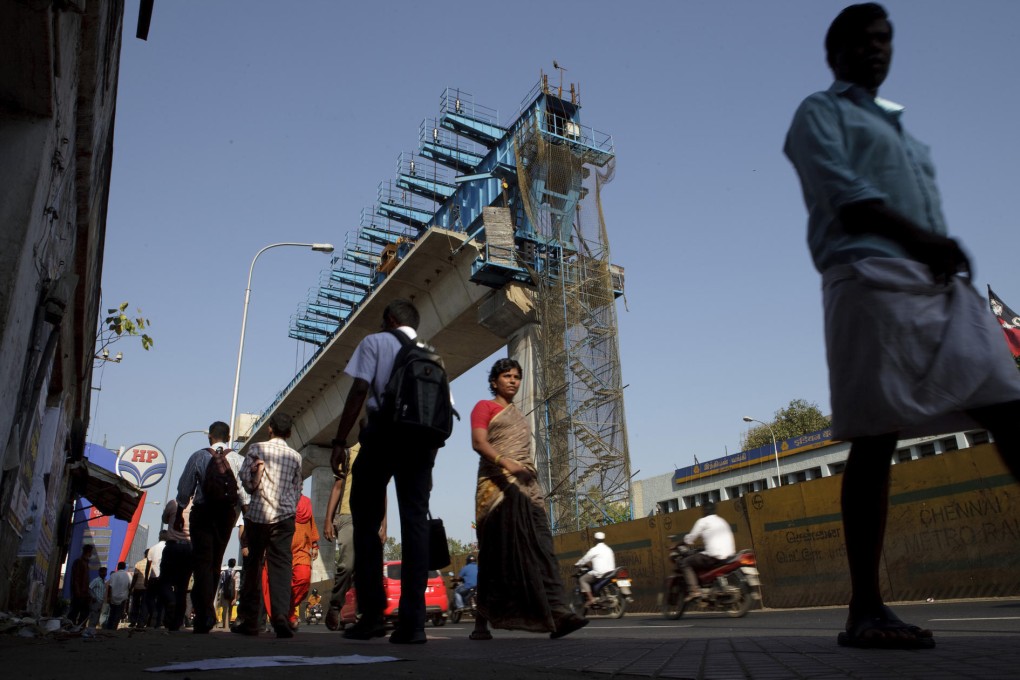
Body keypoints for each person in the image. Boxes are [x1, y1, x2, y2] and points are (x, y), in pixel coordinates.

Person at [784, 3, 1020, 649]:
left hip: (939, 287)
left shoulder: (903, 133)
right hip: (867, 280)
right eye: (862, 41)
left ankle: (869, 608)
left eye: (885, 40)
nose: (877, 49)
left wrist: (935, 247)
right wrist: (922, 237)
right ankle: (865, 608)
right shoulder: (819, 113)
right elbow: (844, 193)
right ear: (834, 55)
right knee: (876, 436)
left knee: (1008, 403)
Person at [330, 299, 440, 645]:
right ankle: (413, 623)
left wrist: (338, 440)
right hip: (422, 442)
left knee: (365, 520)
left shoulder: (375, 342)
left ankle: (373, 617)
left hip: (383, 435)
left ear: (390, 320)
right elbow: (439, 408)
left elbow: (360, 390)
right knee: (415, 523)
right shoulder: (430, 353)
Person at [469, 357, 588, 640]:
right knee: (497, 557)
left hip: (527, 487)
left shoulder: (518, 415)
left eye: (517, 377)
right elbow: (478, 442)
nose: (513, 381)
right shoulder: (483, 407)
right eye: (507, 376)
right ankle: (481, 621)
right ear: (494, 381)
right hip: (496, 490)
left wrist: (521, 470)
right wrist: (505, 462)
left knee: (542, 546)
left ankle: (557, 613)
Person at [233, 412, 303, 639]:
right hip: (284, 518)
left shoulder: (256, 449)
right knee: (281, 567)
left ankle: (250, 619)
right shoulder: (295, 457)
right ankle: (281, 616)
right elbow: (297, 488)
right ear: (290, 433)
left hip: (257, 515)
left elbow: (244, 479)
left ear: (270, 428)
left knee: (252, 566)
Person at [175, 421, 246, 634]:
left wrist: (179, 512)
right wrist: (245, 518)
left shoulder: (199, 456)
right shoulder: (238, 459)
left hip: (203, 514)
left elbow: (184, 488)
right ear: (229, 436)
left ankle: (204, 612)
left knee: (202, 562)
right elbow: (244, 494)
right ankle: (207, 611)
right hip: (226, 516)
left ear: (209, 437)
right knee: (215, 562)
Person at [260, 494, 319, 630]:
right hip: (279, 548)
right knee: (274, 583)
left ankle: (286, 610)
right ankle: (285, 616)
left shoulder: (305, 502)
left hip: (301, 549)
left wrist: (315, 544)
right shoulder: (275, 499)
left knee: (303, 578)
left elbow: (311, 522)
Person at [322, 444, 359, 630]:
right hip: (347, 514)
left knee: (366, 568)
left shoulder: (381, 452)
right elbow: (338, 487)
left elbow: (382, 491)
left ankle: (363, 617)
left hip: (371, 517)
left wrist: (384, 525)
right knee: (347, 564)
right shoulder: (349, 453)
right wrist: (328, 519)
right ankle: (335, 605)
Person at [680, 502, 734, 603]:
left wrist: (679, 544)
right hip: (728, 556)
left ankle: (694, 591)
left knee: (685, 563)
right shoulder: (721, 521)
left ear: (704, 511)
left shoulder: (703, 521)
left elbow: (690, 538)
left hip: (713, 556)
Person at [160, 499, 193, 631]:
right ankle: (177, 623)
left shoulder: (173, 503)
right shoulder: (197, 504)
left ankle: (170, 600)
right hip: (189, 549)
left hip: (172, 546)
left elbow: (165, 519)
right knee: (182, 587)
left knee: (165, 581)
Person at [575, 532, 615, 607]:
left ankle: (591, 599)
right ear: (604, 539)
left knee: (582, 579)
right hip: (610, 572)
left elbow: (585, 559)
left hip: (599, 573)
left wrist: (578, 564)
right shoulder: (609, 549)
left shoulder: (594, 550)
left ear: (595, 540)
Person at [144, 532, 167, 628]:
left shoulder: (152, 548)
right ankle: (158, 622)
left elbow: (148, 565)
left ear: (159, 537)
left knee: (150, 599)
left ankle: (152, 615)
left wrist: (146, 578)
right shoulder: (168, 548)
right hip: (164, 578)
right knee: (162, 601)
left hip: (153, 578)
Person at [68, 544, 94, 626]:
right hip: (79, 593)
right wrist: (77, 592)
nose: (91, 554)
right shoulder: (79, 562)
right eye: (90, 552)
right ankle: (71, 626)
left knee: (84, 612)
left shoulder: (85, 563)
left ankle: (79, 627)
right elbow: (76, 578)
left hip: (84, 593)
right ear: (88, 552)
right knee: (75, 611)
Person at [105, 561, 131, 629]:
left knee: (112, 613)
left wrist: (108, 597)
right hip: (122, 598)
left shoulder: (113, 575)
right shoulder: (127, 575)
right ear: (125, 567)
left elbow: (110, 587)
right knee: (118, 614)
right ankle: (114, 627)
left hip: (113, 597)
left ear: (118, 567)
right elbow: (130, 586)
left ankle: (109, 627)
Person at [217, 558, 239, 629]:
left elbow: (220, 584)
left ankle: (224, 624)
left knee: (225, 609)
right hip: (232, 594)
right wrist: (235, 598)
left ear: (228, 563)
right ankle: (228, 624)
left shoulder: (223, 572)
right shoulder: (236, 573)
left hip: (224, 593)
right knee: (230, 609)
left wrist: (219, 594)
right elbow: (236, 587)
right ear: (234, 564)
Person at [128, 550, 149, 628]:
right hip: (146, 588)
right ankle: (141, 623)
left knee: (135, 605)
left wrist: (131, 587)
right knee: (144, 605)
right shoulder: (152, 564)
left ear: (144, 555)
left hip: (137, 587)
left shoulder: (138, 563)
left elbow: (135, 577)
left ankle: (133, 621)